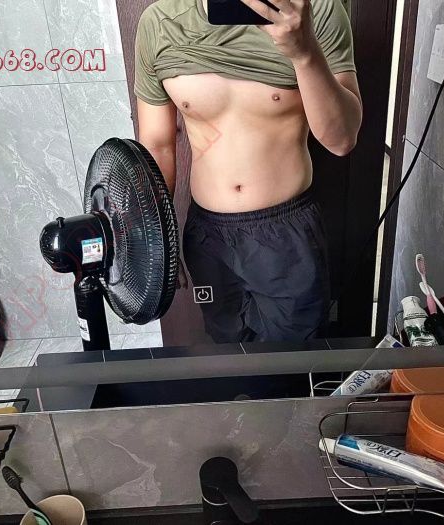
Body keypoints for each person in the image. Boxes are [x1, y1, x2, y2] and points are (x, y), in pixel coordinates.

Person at [135, 0, 363, 343]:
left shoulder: (316, 10)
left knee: (297, 361)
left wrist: (305, 53)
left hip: (286, 234)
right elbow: (157, 145)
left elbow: (342, 140)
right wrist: (158, 241)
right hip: (208, 237)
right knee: (228, 351)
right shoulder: (160, 21)